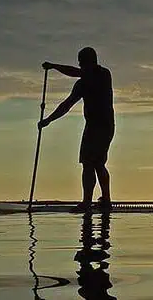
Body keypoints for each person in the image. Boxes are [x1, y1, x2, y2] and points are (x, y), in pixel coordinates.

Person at [39, 47, 115, 209]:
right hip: (92, 126)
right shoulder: (81, 84)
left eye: (82, 63)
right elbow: (66, 105)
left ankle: (100, 201)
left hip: (104, 126)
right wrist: (48, 120)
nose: (80, 66)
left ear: (91, 62)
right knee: (90, 163)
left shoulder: (103, 74)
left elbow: (76, 72)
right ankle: (94, 200)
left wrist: (54, 66)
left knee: (95, 163)